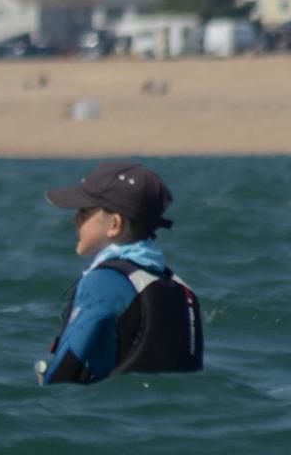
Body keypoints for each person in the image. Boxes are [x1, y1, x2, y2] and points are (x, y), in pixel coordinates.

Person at [39, 161, 203, 385]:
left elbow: (65, 367)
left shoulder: (101, 282)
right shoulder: (179, 287)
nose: (74, 219)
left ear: (114, 224)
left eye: (84, 211)